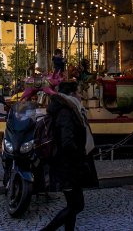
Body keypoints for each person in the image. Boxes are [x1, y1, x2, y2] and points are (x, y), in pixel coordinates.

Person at [40, 81, 95, 231]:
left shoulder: (69, 109)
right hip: (68, 165)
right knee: (77, 205)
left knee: (73, 204)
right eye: (78, 92)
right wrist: (79, 157)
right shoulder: (66, 112)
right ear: (71, 94)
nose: (81, 95)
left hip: (69, 164)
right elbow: (67, 141)